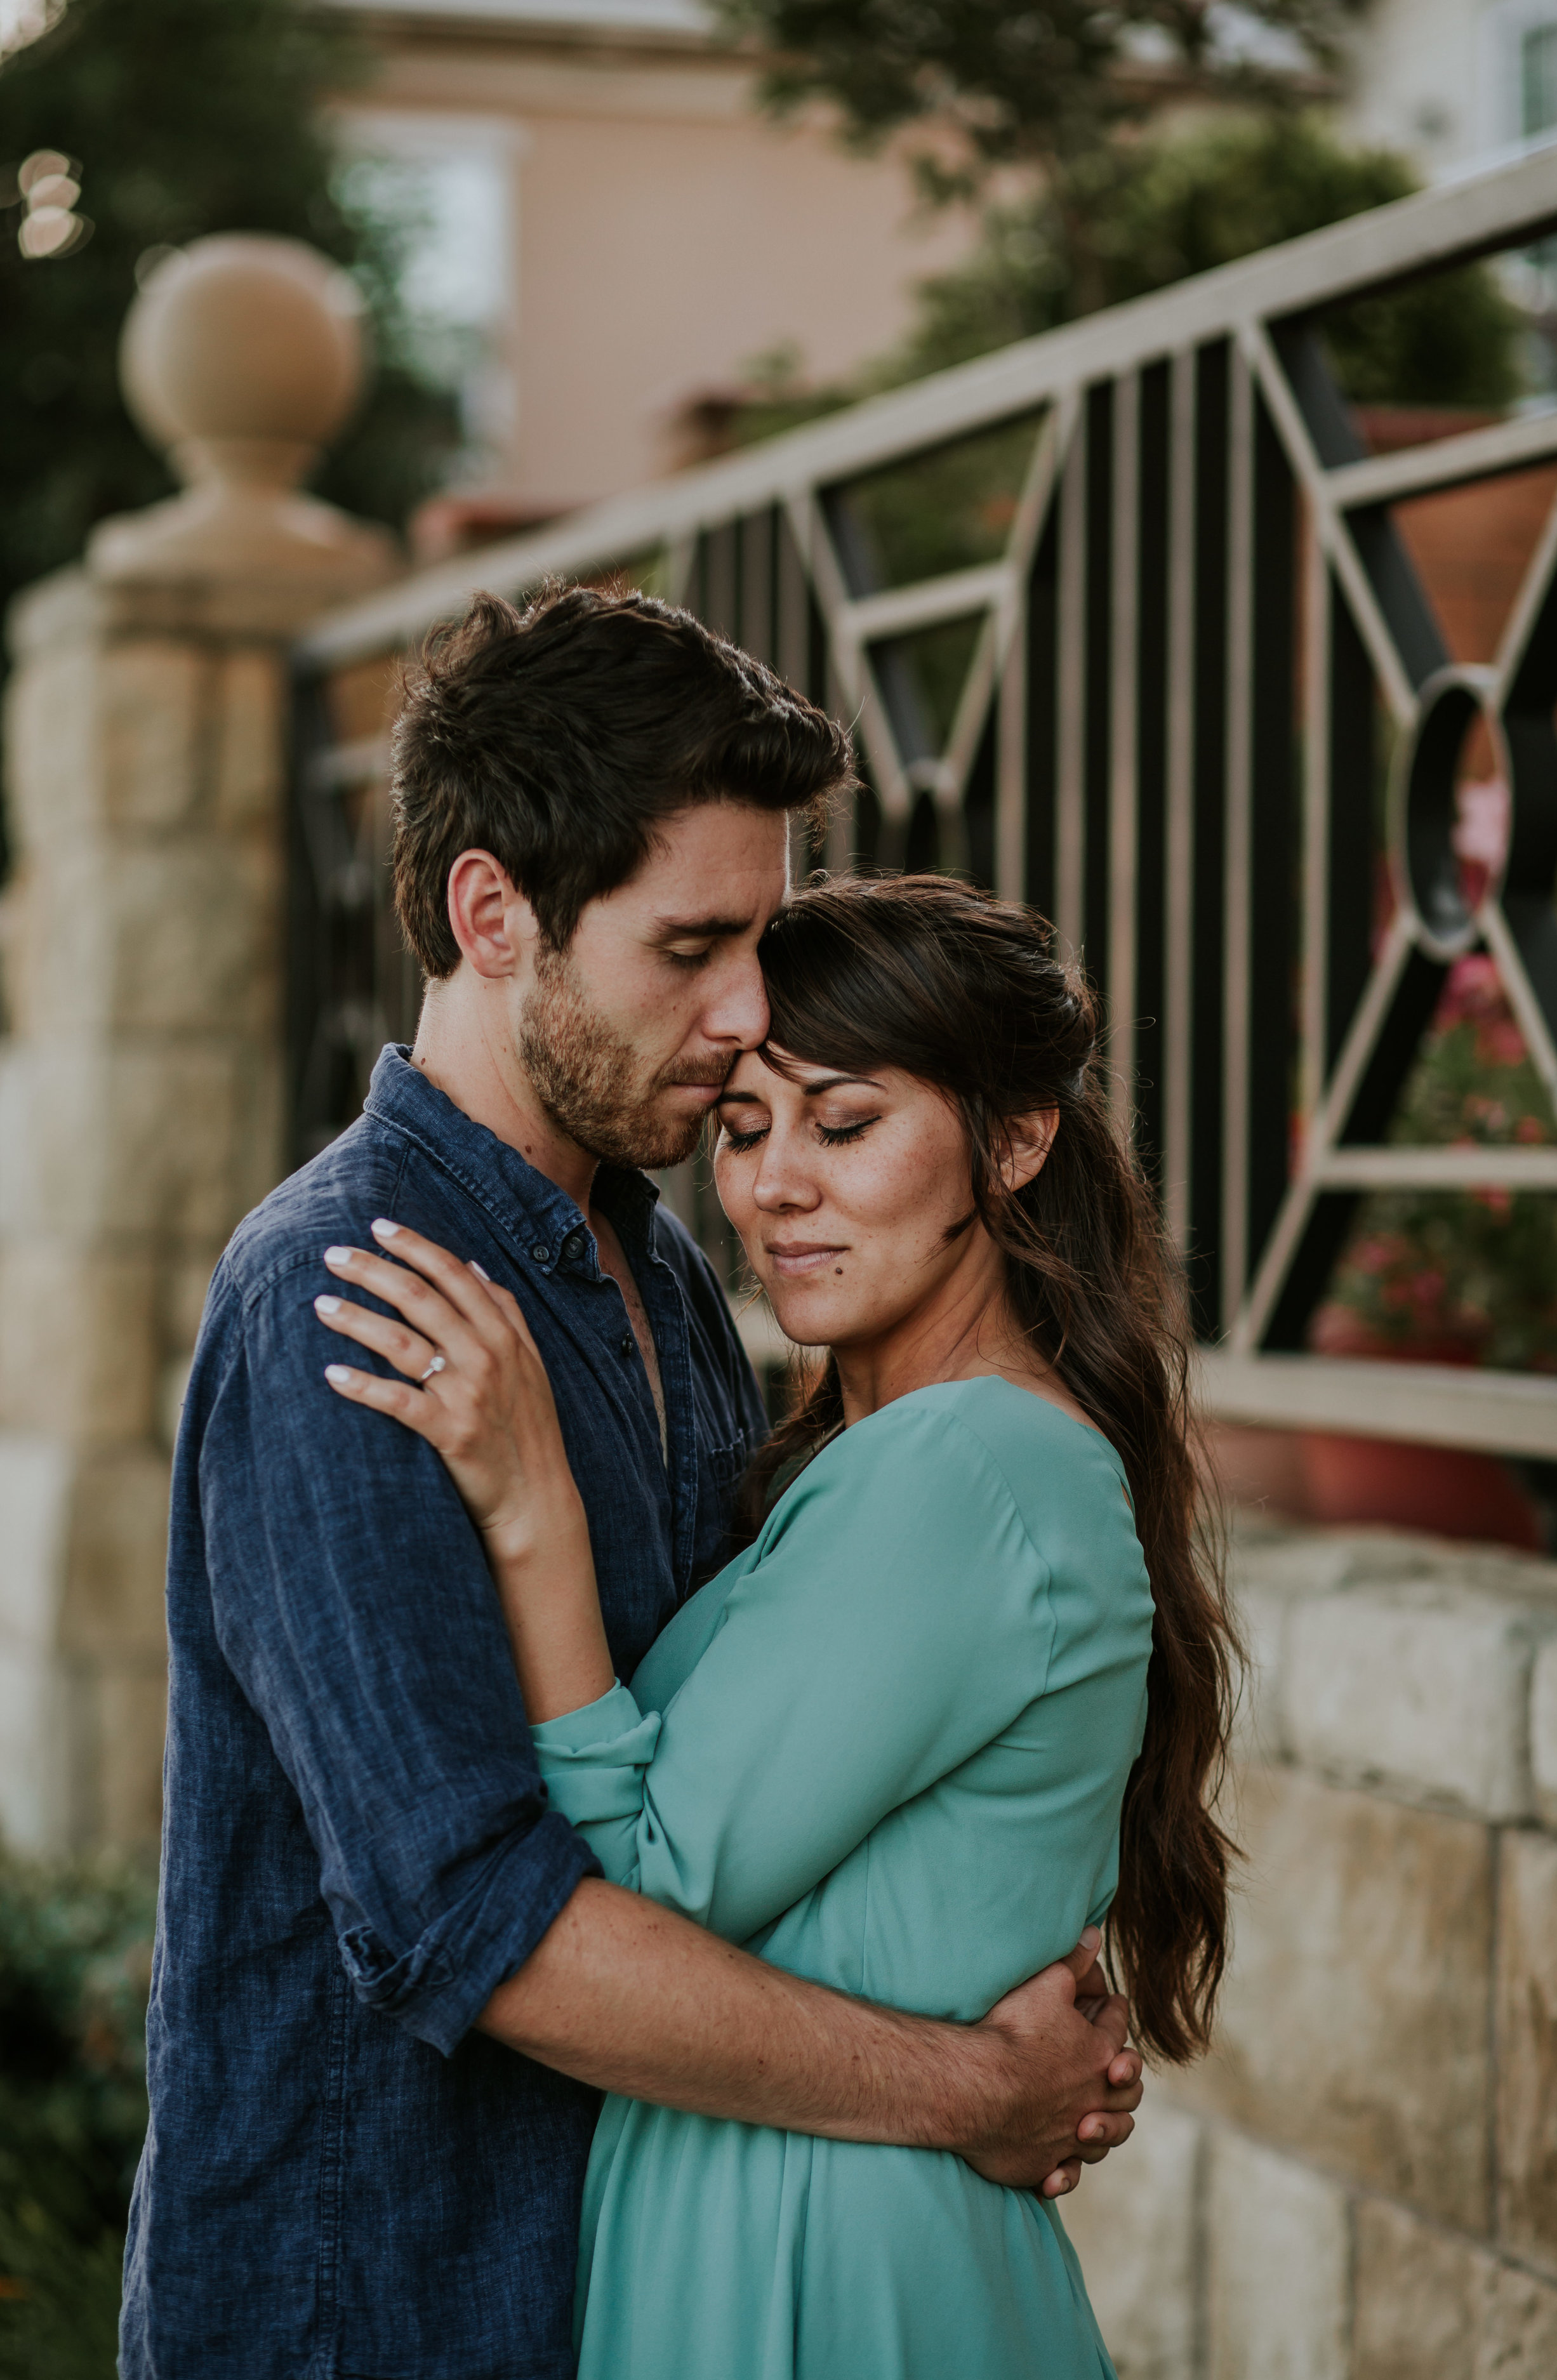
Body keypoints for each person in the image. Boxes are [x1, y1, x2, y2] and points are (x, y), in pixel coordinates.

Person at [122, 590, 1145, 2380]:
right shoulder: (346, 1292)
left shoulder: (656, 1271)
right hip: (377, 2312)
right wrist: (967, 2083)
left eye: (757, 936)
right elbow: (481, 1931)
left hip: (633, 2285)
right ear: (492, 913)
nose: (749, 1010)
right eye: (692, 945)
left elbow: (745, 1766)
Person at [314, 872, 1240, 2380]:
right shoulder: (887, 1459)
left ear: (1012, 1141)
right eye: (745, 1130)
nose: (772, 1188)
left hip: (828, 2264)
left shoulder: (965, 1466)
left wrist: (534, 1511)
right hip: (782, 2219)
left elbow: (650, 1889)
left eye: (846, 1121)